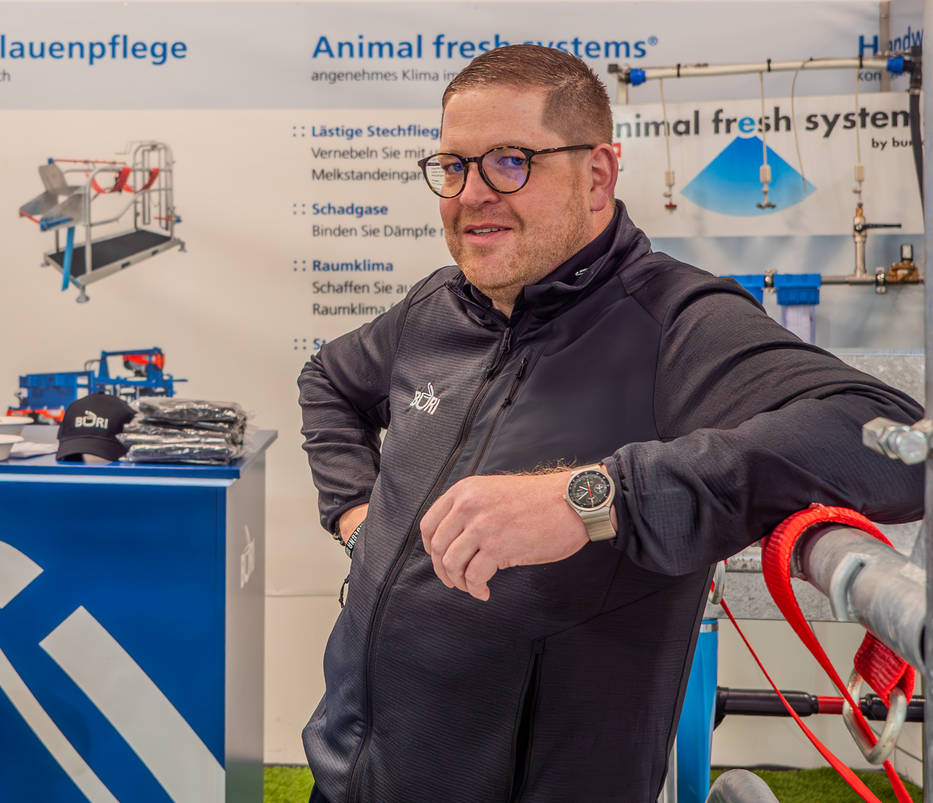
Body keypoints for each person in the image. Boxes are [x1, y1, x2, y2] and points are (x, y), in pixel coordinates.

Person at [297, 45, 924, 802]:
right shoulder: (438, 306)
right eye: (453, 166)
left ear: (597, 175)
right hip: (349, 771)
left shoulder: (672, 322)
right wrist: (358, 520)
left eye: (510, 162)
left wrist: (595, 497)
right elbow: (328, 380)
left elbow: (893, 443)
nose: (471, 195)